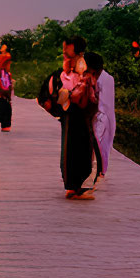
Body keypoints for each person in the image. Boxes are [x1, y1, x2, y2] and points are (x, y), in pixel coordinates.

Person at [37, 37, 98, 198]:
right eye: (64, 53)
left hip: (83, 115)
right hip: (71, 115)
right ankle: (72, 185)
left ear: (79, 53)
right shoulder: (61, 74)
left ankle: (79, 185)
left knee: (84, 147)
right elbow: (47, 96)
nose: (65, 56)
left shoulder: (87, 71)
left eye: (68, 54)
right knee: (70, 147)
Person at [91, 52, 116, 183]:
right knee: (99, 144)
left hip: (104, 116)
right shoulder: (99, 78)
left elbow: (103, 101)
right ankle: (98, 170)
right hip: (100, 115)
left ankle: (101, 171)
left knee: (101, 144)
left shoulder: (106, 79)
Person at [0, 44, 13, 131]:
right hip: (0, 78)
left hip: (4, 78)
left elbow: (8, 68)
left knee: (4, 98)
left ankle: (6, 125)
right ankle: (5, 124)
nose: (2, 46)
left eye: (4, 45)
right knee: (2, 98)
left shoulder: (7, 56)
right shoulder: (2, 56)